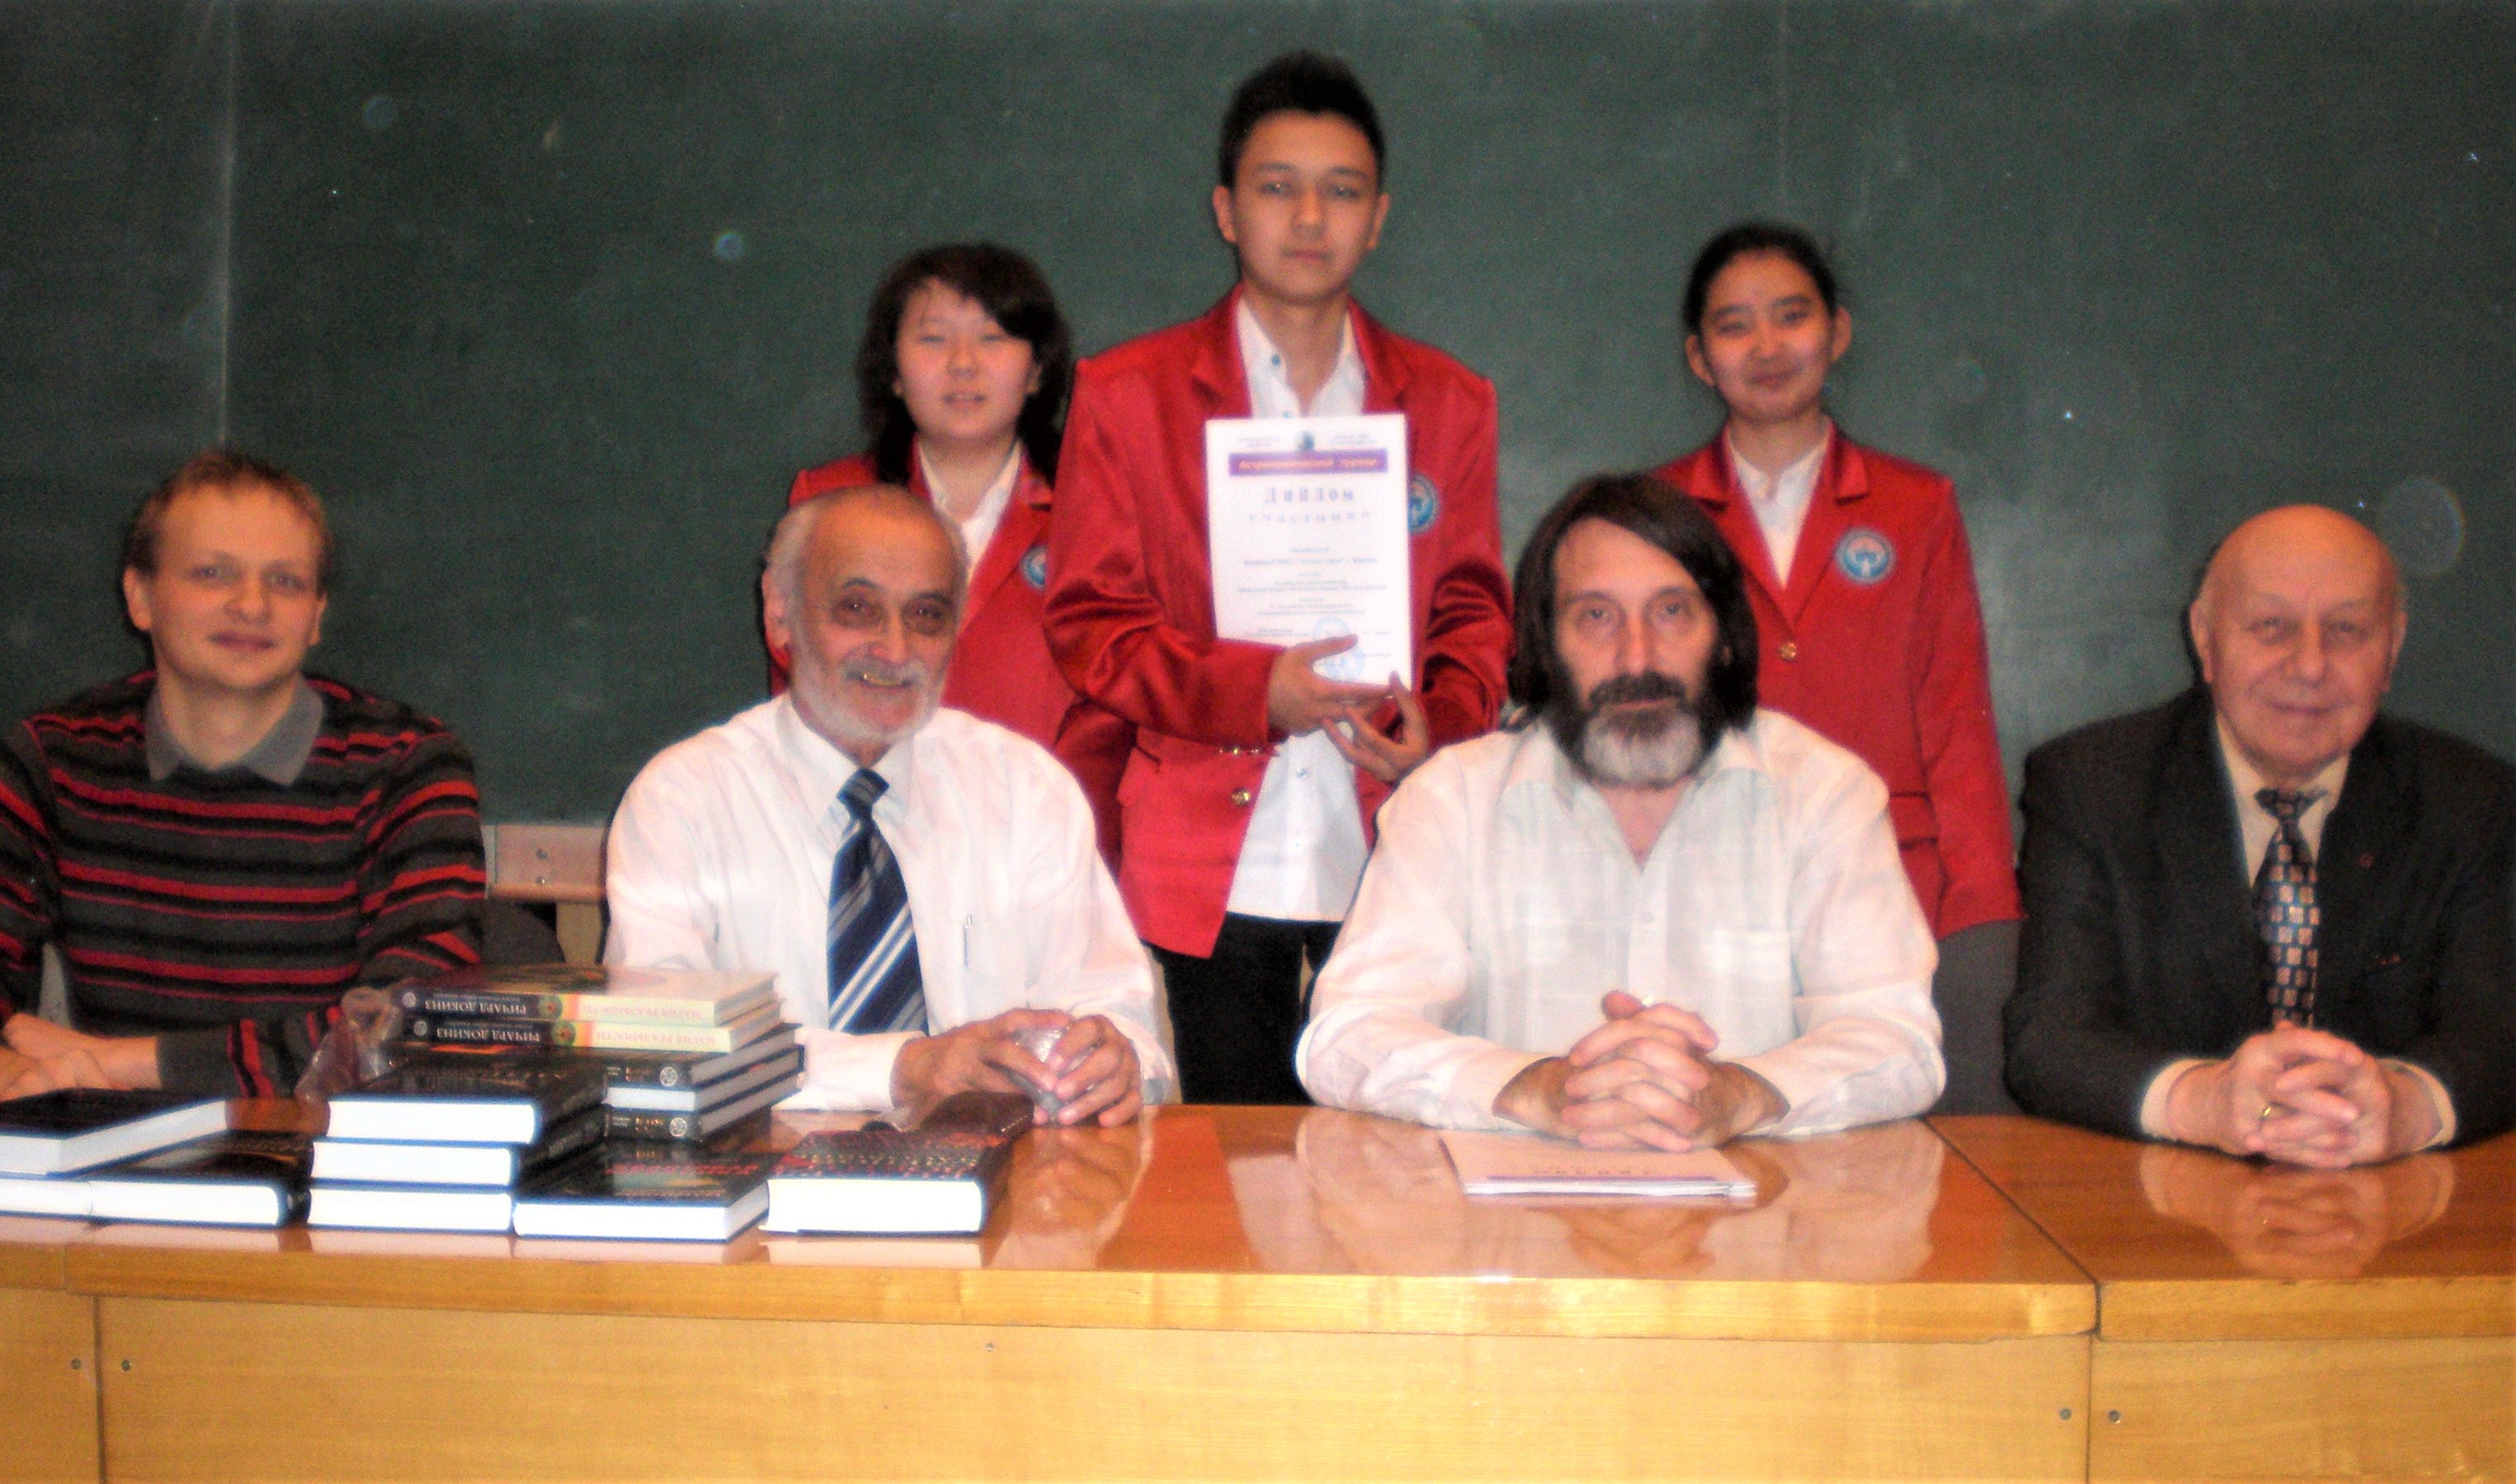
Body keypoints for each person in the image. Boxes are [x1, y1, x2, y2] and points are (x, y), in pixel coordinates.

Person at [1045, 51, 1511, 1104]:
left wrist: (1441, 720)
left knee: (1383, 1161)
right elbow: (1090, 622)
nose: (1309, 217)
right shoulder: (1128, 394)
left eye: (1341, 191)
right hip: (1204, 858)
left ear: (1378, 217)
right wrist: (1253, 691)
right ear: (1226, 209)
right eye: (1276, 187)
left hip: (1391, 840)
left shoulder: (1449, 401)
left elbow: (1475, 610)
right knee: (1225, 1168)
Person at [1298, 473, 1942, 1145]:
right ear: (1547, 646)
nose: (1638, 657)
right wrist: (1539, 1088)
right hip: (1512, 1207)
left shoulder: (1824, 794)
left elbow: (1896, 1038)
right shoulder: (1451, 799)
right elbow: (1347, 1034)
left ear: (1724, 635)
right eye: (1597, 616)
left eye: (1672, 611)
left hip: (1762, 1204)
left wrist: (1741, 1095)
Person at [607, 485, 1171, 1122]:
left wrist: (1115, 1056)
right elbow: (658, 1039)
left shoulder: (1027, 790)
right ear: (781, 612)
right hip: (762, 1174)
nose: (895, 649)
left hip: (1004, 1176)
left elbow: (1124, 1017)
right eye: (857, 608)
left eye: (927, 615)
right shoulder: (682, 801)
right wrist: (904, 1069)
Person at [2005, 505, 2516, 1166]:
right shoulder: (2093, 786)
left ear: (2391, 650)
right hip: (2154, 1196)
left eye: (2347, 629)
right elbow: (2049, 1037)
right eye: (2272, 626)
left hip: (2390, 1199)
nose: (2310, 665)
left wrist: (2405, 1106)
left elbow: (2498, 1034)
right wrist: (2203, 1101)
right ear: (2205, 638)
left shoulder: (2470, 801)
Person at [0, 449, 484, 1105]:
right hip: (114, 1150)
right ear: (140, 596)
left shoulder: (409, 766)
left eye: (286, 581)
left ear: (317, 615)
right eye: (213, 573)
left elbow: (404, 1028)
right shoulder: (51, 762)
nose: (251, 605)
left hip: (325, 1151)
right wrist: (7, 1074)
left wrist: (120, 1061)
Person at [1651, 223, 2019, 1112]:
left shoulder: (1916, 505)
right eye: (1734, 325)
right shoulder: (1655, 512)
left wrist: (1983, 920)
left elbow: (1958, 724)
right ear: (1699, 357)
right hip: (1712, 885)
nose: (1767, 346)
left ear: (1837, 331)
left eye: (1792, 316)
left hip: (1895, 890)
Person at [778, 243, 1133, 864]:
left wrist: (1038, 822)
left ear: (1037, 370)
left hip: (1045, 842)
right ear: (894, 370)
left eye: (993, 339)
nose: (963, 365)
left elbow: (1116, 700)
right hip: (868, 840)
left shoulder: (1100, 508)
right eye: (934, 339)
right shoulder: (830, 503)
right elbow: (801, 686)